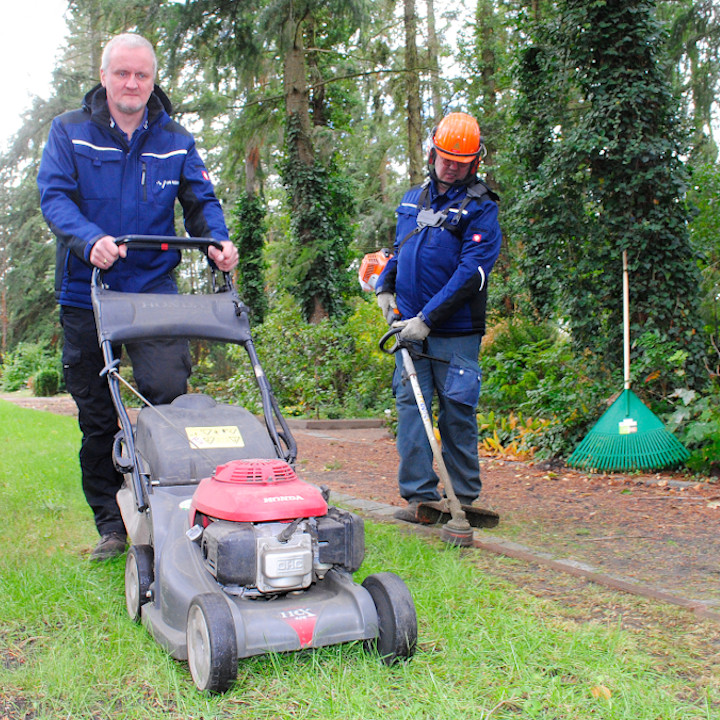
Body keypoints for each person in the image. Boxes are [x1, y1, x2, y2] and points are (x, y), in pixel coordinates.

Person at [37, 33, 238, 560]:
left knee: (168, 396)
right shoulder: (70, 132)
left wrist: (217, 239)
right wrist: (89, 240)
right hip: (88, 294)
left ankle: (176, 510)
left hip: (153, 291)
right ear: (104, 76)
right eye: (122, 73)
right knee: (99, 415)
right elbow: (54, 196)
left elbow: (201, 198)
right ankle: (112, 523)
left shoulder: (175, 138)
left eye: (142, 75)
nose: (132, 84)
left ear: (153, 79)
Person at [375, 112, 502, 523]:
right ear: (433, 153)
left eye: (461, 162)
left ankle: (462, 497)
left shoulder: (481, 209)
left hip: (454, 331)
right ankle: (419, 498)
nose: (452, 166)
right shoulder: (413, 198)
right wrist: (385, 286)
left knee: (457, 410)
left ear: (474, 163)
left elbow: (472, 273)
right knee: (411, 409)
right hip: (407, 326)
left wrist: (428, 318)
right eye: (446, 158)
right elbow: (400, 249)